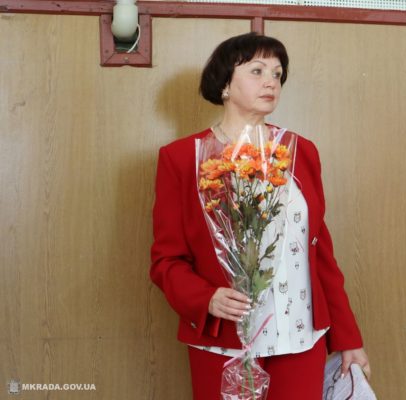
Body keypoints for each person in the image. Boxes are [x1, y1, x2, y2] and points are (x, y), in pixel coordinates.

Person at [150, 32, 370, 400]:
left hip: (301, 336)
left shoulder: (301, 152)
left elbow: (320, 254)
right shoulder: (182, 158)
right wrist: (205, 298)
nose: (271, 82)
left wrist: (348, 338)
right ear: (224, 84)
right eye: (257, 71)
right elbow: (165, 260)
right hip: (223, 338)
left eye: (277, 74)